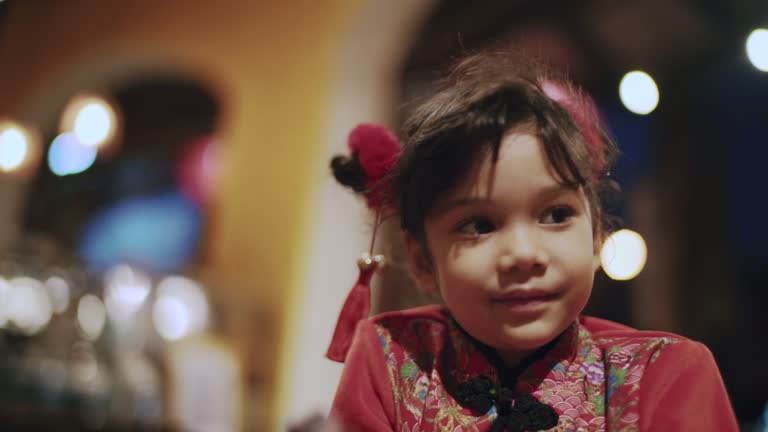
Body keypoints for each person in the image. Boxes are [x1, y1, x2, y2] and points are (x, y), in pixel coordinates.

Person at [327, 51, 738, 431]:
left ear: (596, 235)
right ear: (421, 259)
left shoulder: (664, 373)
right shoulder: (391, 358)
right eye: (478, 225)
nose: (524, 255)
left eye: (557, 216)